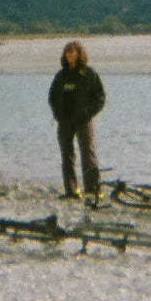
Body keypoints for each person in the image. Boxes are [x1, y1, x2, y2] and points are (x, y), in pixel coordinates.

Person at [47, 39, 106, 200]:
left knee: (87, 153)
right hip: (65, 121)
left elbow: (100, 97)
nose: (69, 55)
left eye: (72, 51)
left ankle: (93, 189)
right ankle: (71, 190)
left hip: (83, 120)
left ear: (79, 54)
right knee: (66, 155)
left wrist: (88, 113)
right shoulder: (61, 76)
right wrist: (57, 114)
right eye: (67, 52)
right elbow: (52, 97)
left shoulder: (88, 74)